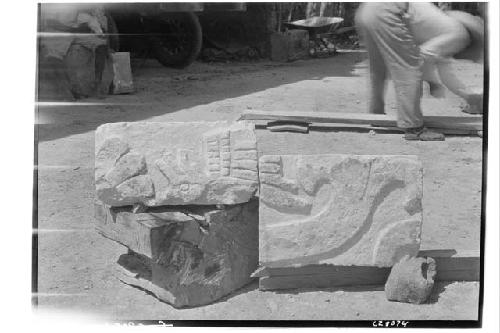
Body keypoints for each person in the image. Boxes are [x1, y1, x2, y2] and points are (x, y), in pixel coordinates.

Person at [355, 2, 484, 141]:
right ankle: (413, 128)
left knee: (378, 69)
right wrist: (432, 81)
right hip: (389, 12)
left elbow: (445, 73)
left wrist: (467, 96)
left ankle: (376, 116)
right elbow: (423, 56)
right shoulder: (460, 35)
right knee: (408, 68)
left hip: (368, 9)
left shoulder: (443, 25)